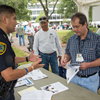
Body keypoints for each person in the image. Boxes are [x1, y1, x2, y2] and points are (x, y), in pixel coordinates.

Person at [0, 5, 44, 100]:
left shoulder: (3, 36)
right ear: (5, 19)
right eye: (14, 19)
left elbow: (7, 60)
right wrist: (31, 68)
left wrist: (27, 58)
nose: (16, 22)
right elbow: (8, 75)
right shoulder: (1, 41)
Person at [61, 12, 100, 94]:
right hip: (73, 78)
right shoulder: (71, 39)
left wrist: (88, 65)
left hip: (90, 80)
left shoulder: (97, 39)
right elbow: (68, 53)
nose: (74, 29)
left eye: (77, 27)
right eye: (73, 27)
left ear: (85, 24)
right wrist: (65, 59)